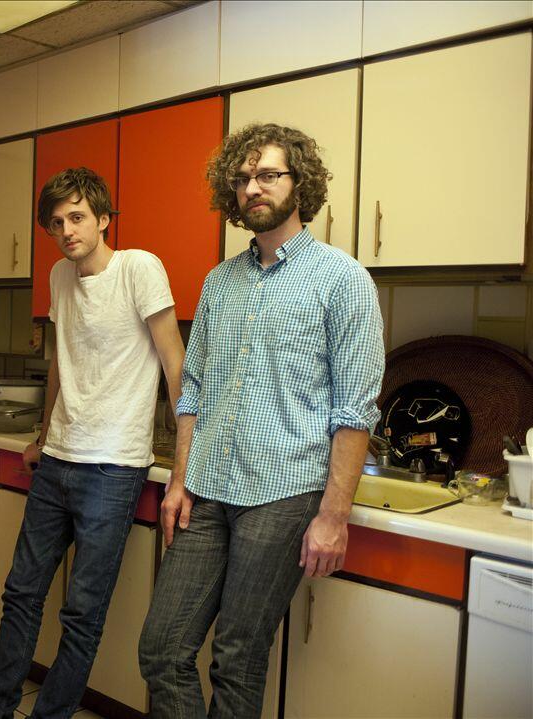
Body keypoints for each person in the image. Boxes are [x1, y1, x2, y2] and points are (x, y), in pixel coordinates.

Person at [138, 123, 385, 718]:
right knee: (162, 650)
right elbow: (194, 391)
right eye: (243, 178)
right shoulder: (219, 282)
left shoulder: (343, 279)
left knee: (237, 660)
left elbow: (355, 410)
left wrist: (334, 516)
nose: (253, 188)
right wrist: (178, 480)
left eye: (268, 175)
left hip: (284, 495)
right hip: (207, 489)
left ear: (301, 182)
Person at [0, 168, 185, 719]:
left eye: (76, 217)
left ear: (103, 219)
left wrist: (185, 469)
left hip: (113, 468)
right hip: (56, 461)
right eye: (55, 222)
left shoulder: (139, 268)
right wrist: (42, 437)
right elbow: (60, 364)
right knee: (21, 593)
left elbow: (175, 366)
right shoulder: (59, 275)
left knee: (82, 613)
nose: (66, 231)